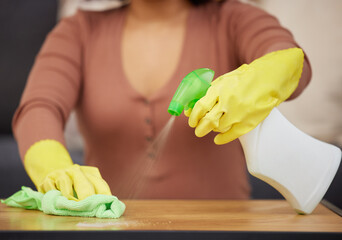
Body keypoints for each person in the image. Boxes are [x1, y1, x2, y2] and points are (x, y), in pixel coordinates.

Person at [13, 0, 311, 201]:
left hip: (224, 228)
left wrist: (262, 77)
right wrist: (52, 166)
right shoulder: (78, 31)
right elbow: (39, 107)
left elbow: (291, 58)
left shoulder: (233, 18)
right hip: (110, 230)